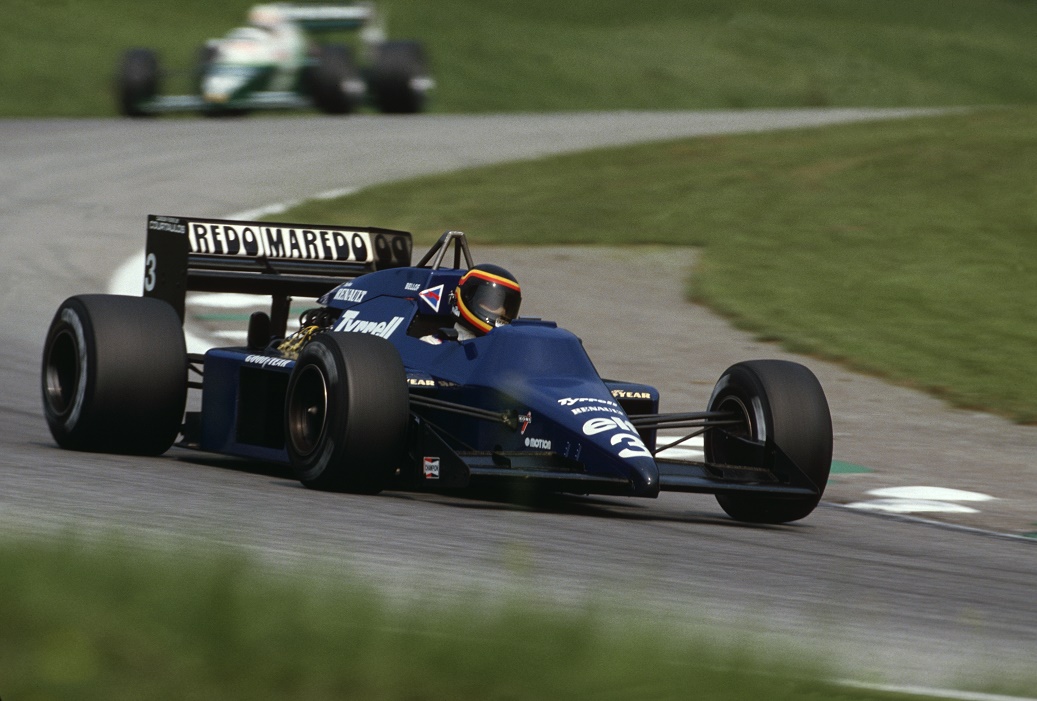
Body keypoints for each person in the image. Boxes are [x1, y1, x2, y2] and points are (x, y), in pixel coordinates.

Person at [422, 264, 522, 343]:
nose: (502, 311)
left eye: (506, 306)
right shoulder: (432, 344)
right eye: (493, 302)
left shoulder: (507, 348)